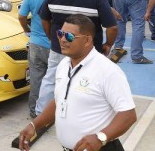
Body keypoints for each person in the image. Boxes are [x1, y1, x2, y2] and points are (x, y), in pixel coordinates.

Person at [19, 14, 137, 151]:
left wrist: (101, 137)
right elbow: (59, 102)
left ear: (87, 40)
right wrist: (34, 125)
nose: (62, 40)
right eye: (60, 34)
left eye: (69, 36)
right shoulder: (64, 65)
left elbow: (128, 115)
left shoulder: (108, 71)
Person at [35, 0, 118, 115]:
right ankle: (80, 113)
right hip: (87, 51)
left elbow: (44, 18)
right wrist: (107, 45)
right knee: (87, 82)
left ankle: (41, 113)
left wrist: (53, 38)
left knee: (51, 78)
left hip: (59, 46)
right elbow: (112, 27)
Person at [18, 0, 66, 118]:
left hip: (36, 43)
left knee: (37, 79)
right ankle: (53, 111)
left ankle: (35, 111)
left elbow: (22, 15)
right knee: (57, 80)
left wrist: (27, 30)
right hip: (57, 45)